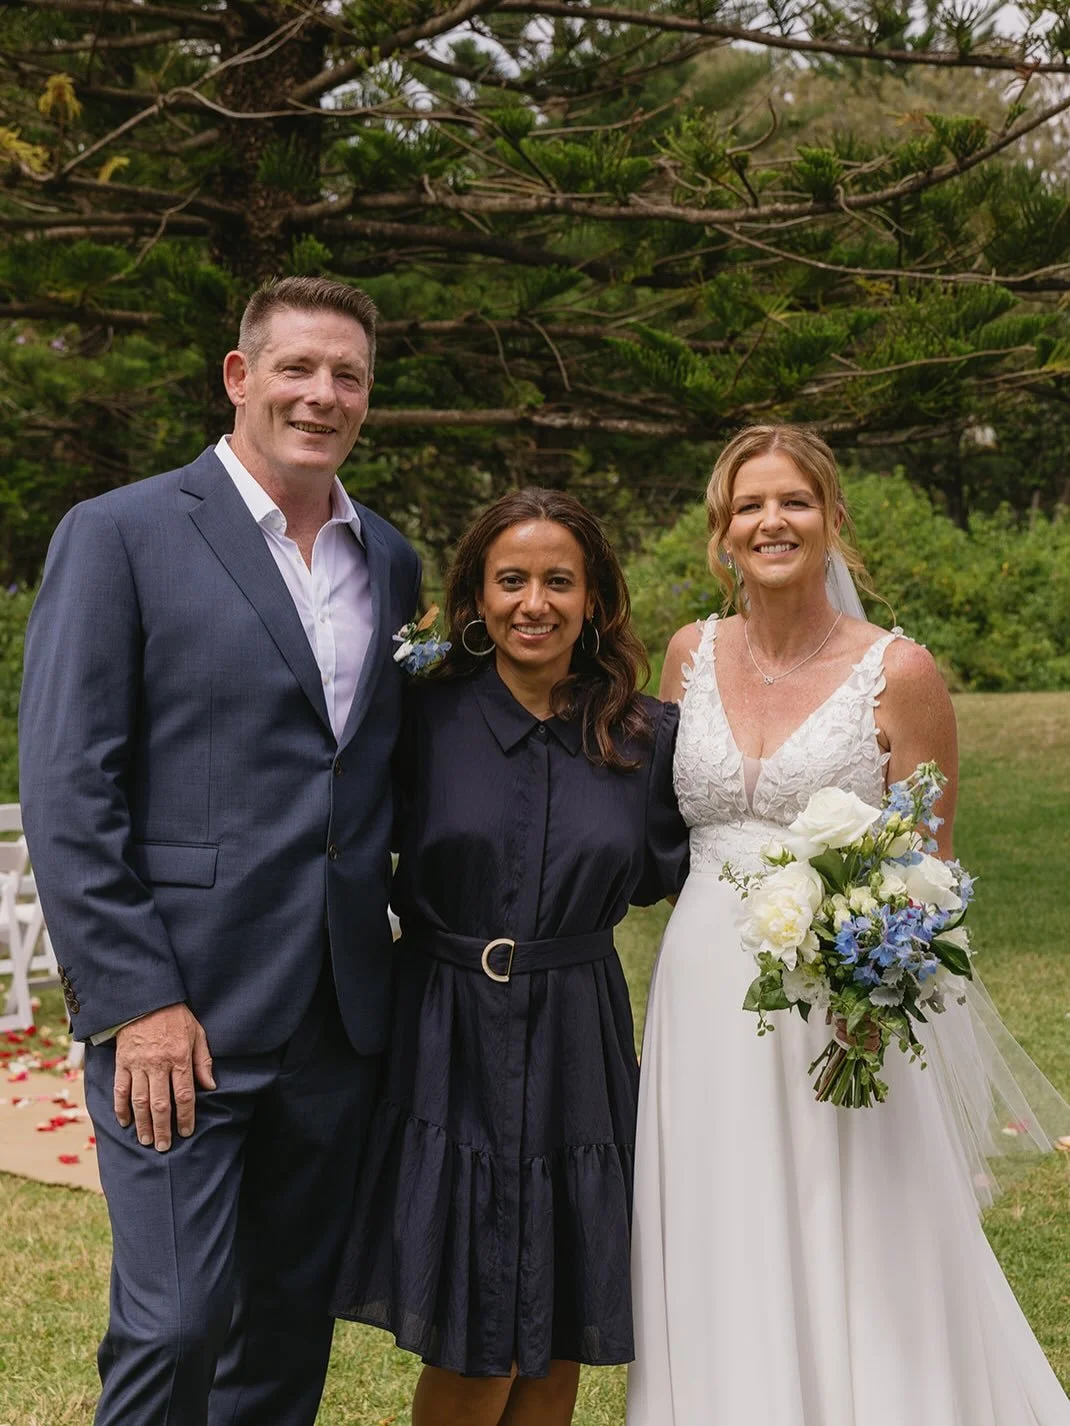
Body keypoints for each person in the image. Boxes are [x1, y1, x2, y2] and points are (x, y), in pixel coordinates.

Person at [18, 276, 421, 1426]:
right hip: (180, 1015)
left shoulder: (385, 558)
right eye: (296, 367)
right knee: (176, 1322)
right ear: (239, 377)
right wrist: (135, 998)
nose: (322, 393)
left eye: (346, 375)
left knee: (285, 1329)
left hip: (339, 1019)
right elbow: (66, 785)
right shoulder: (121, 534)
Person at [626, 423, 1070, 1425]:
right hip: (702, 993)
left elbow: (932, 866)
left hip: (842, 1000)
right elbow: (651, 826)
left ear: (831, 520)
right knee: (716, 1218)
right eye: (748, 505)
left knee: (857, 1230)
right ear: (719, 530)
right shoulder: (687, 653)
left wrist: (874, 992)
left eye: (791, 501)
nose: (769, 521)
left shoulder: (898, 671)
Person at [331, 488, 689, 1426]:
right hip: (446, 1036)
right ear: (477, 599)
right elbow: (343, 851)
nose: (535, 602)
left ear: (596, 599)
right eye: (512, 580)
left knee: (560, 1330)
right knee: (478, 1336)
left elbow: (695, 880)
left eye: (559, 581)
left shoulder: (645, 738)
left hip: (579, 1033)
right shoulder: (419, 718)